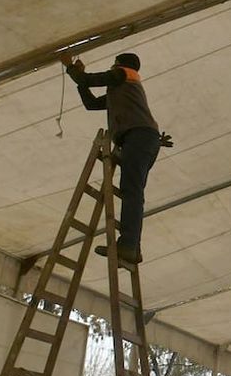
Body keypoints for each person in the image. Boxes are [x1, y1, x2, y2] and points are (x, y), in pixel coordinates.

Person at [65, 52, 172, 264]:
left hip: (138, 138)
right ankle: (133, 246)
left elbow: (88, 80)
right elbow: (92, 104)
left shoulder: (121, 74)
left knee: (132, 192)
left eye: (113, 64)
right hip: (144, 139)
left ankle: (129, 246)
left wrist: (71, 67)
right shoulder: (125, 88)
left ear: (119, 65)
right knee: (134, 192)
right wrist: (81, 79)